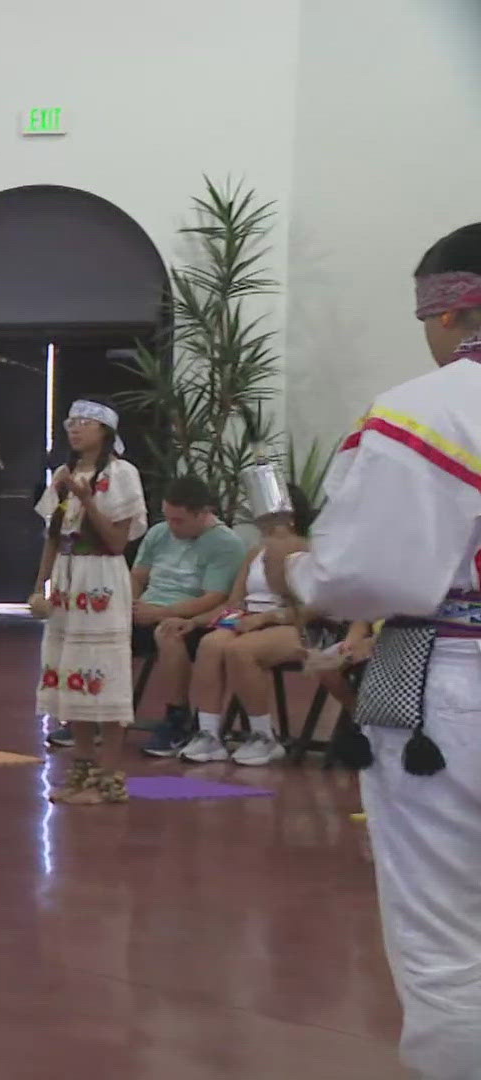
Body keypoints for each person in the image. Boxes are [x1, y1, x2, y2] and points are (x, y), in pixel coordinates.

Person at [263, 223, 481, 1079]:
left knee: (450, 952)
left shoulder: (433, 411)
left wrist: (296, 565)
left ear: (454, 310)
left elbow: (369, 577)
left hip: (456, 689)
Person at [31, 400, 148, 804]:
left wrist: (88, 497)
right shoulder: (64, 475)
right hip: (68, 578)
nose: (75, 430)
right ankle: (80, 770)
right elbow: (53, 534)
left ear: (106, 432)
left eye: (85, 423)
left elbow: (117, 541)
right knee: (70, 670)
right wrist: (39, 585)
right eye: (71, 423)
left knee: (104, 672)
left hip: (101, 577)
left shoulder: (122, 474)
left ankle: (110, 775)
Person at [161, 481, 315, 766]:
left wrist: (267, 617)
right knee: (210, 643)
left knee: (240, 651)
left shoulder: (307, 550)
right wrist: (194, 622)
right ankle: (208, 733)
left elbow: (314, 607)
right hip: (247, 619)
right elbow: (234, 603)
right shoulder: (254, 553)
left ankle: (264, 736)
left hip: (291, 623)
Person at [128, 477, 249, 757]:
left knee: (167, 633)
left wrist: (161, 613)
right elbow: (137, 576)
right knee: (96, 627)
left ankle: (177, 717)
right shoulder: (159, 533)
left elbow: (213, 598)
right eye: (168, 518)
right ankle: (94, 715)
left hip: (194, 617)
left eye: (179, 521)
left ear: (202, 513)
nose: (172, 526)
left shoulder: (225, 543)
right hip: (148, 609)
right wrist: (132, 603)